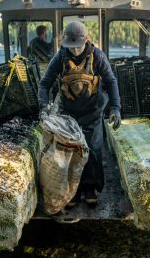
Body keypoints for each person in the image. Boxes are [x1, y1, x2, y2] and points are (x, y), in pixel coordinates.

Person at [38, 21, 121, 206]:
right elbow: (44, 84)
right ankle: (73, 190)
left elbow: (111, 82)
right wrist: (43, 107)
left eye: (78, 47)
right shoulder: (60, 58)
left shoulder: (98, 56)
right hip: (69, 114)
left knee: (93, 149)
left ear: (87, 40)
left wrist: (115, 108)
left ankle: (90, 188)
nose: (75, 51)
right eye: (71, 47)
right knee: (71, 150)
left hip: (93, 111)